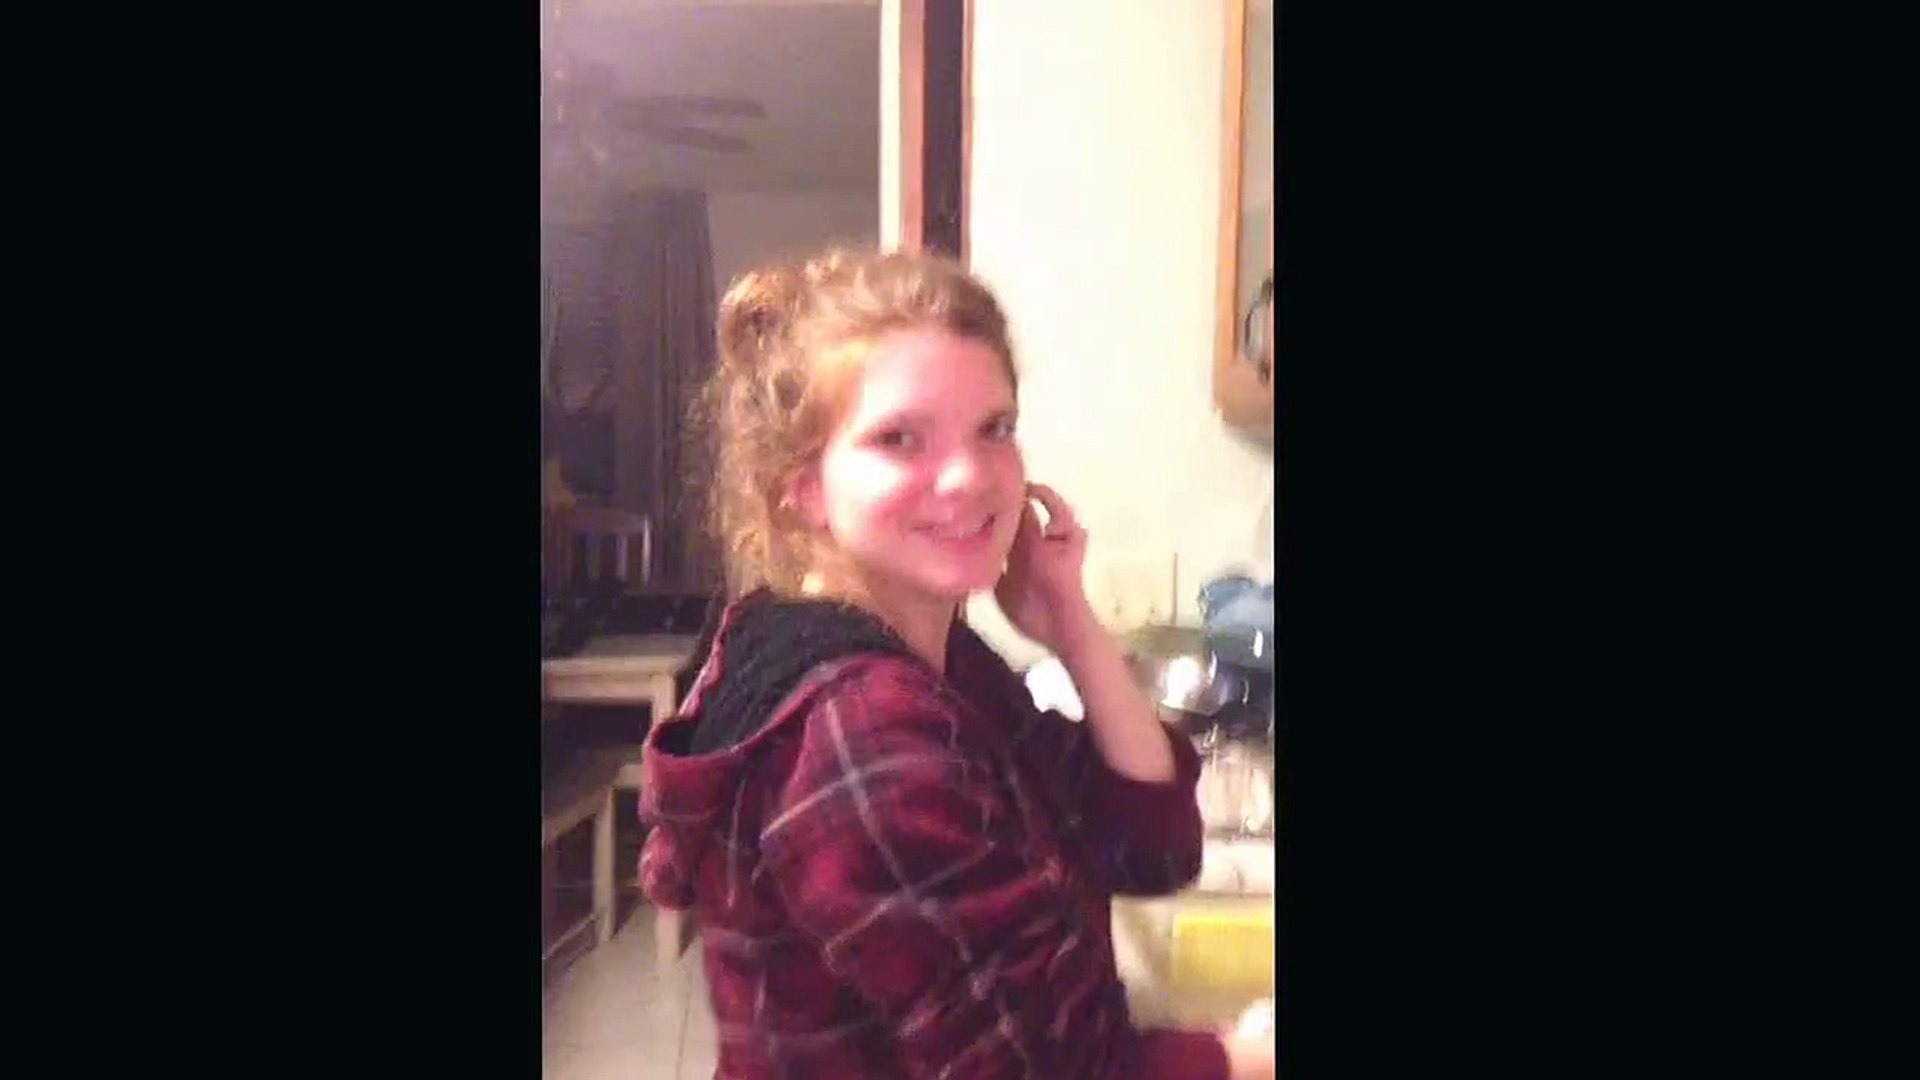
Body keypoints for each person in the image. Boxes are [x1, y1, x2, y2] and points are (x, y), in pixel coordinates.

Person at [639, 248, 1274, 1079]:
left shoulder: (933, 657)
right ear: (804, 487)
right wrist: (1252, 1056)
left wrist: (1070, 621)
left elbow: (1147, 848)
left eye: (994, 429)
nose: (971, 477)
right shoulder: (862, 731)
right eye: (900, 438)